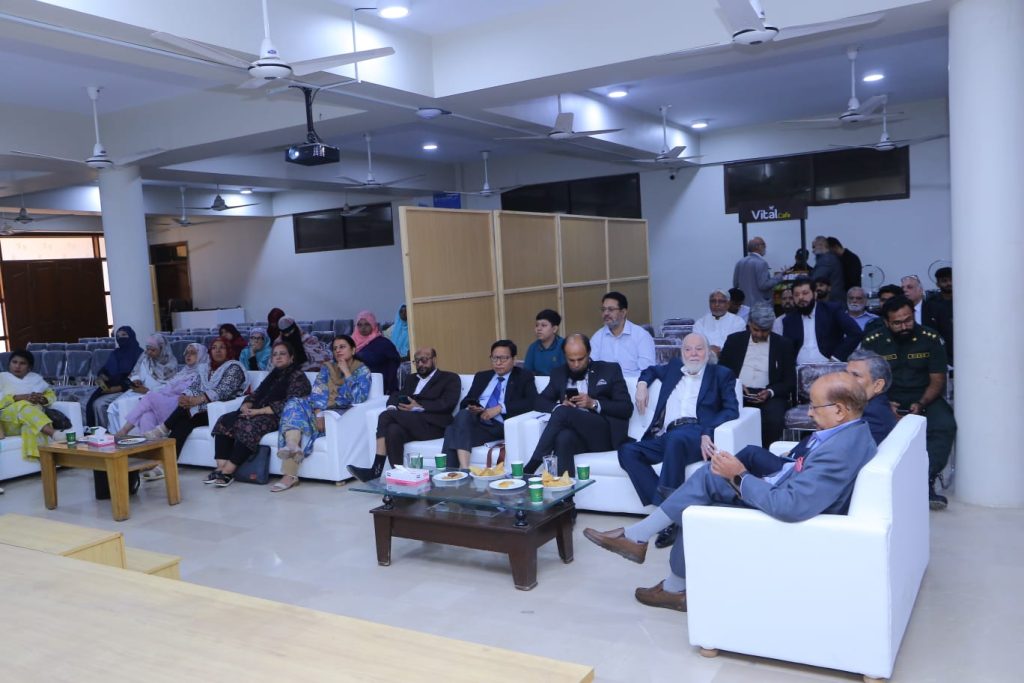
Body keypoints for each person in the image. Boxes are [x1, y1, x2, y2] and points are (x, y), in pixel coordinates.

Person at [583, 372, 876, 612]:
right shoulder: (849, 433)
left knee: (707, 483)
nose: (809, 413)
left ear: (839, 410)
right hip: (783, 487)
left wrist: (740, 474)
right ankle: (662, 572)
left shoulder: (840, 450)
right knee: (704, 484)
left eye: (815, 407)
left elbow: (790, 506)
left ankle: (642, 544)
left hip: (788, 514)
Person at [618, 333, 738, 547]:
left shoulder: (721, 374)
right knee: (627, 451)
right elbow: (651, 370)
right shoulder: (674, 367)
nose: (693, 354)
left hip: (696, 431)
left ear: (708, 352)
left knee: (677, 438)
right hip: (667, 435)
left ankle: (665, 521)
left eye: (699, 349)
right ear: (681, 353)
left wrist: (707, 430)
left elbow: (731, 409)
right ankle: (672, 512)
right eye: (688, 349)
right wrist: (642, 385)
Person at [862, 296, 956, 510]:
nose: (904, 326)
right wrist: (885, 402)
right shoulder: (874, 341)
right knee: (869, 423)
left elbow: (937, 380)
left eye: (908, 320)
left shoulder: (930, 338)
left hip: (924, 396)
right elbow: (865, 379)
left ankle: (925, 480)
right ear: (886, 322)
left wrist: (920, 404)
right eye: (897, 323)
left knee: (944, 424)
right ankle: (881, 482)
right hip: (884, 396)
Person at [524, 334, 633, 477]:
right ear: (565, 356)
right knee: (563, 438)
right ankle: (566, 495)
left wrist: (593, 403)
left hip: (603, 434)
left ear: (588, 353)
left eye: (580, 359)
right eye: (571, 360)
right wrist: (559, 405)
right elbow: (539, 401)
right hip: (577, 434)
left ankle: (531, 467)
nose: (576, 364)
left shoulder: (609, 370)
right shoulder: (559, 374)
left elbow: (626, 408)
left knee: (563, 413)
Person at [274, 335, 372, 492]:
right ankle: (292, 444)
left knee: (300, 421)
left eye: (342, 347)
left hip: (339, 415)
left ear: (353, 349)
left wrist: (347, 372)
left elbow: (359, 397)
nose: (338, 350)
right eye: (335, 348)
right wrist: (319, 414)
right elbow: (318, 391)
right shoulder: (327, 367)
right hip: (320, 411)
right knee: (294, 403)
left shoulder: (362, 370)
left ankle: (289, 475)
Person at [207, 341, 311, 487]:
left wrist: (257, 411)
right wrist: (246, 404)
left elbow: (290, 404)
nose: (278, 357)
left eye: (282, 354)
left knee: (250, 426)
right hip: (256, 410)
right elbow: (256, 393)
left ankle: (228, 471)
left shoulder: (298, 376)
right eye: (275, 355)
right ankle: (220, 466)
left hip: (276, 416)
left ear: (291, 357)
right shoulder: (272, 375)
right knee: (225, 419)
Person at [348, 347, 461, 482]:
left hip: (435, 425)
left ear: (434, 360)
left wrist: (420, 407)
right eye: (417, 361)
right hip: (412, 423)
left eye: (424, 360)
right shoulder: (411, 379)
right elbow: (396, 395)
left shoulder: (450, 378)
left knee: (385, 416)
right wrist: (392, 407)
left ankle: (375, 470)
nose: (420, 364)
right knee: (392, 430)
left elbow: (448, 404)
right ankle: (400, 476)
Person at [144, 338, 247, 458]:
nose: (217, 351)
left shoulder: (234, 367)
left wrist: (196, 400)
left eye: (222, 347)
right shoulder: (206, 368)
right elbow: (195, 385)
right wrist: (184, 396)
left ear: (228, 350)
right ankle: (166, 462)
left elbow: (222, 391)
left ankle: (163, 429)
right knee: (183, 423)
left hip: (222, 411)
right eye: (214, 348)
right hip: (202, 410)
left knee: (185, 413)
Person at [441, 340, 537, 469]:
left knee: (451, 431)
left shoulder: (524, 377)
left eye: (503, 358)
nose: (498, 363)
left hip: (499, 426)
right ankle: (463, 469)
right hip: (477, 421)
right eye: (494, 358)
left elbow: (532, 402)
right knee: (462, 415)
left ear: (514, 359)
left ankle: (453, 474)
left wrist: (500, 408)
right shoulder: (482, 376)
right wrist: (473, 407)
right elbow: (465, 402)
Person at [719, 303, 796, 447]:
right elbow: (722, 372)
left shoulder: (783, 345)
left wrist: (770, 392)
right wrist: (737, 385)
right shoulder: (734, 340)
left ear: (772, 327)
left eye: (764, 331)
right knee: (726, 414)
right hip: (737, 392)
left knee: (774, 418)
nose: (760, 334)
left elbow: (789, 381)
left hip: (769, 394)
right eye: (756, 330)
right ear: (749, 324)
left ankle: (765, 454)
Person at [114, 341, 206, 440]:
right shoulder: (184, 371)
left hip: (180, 407)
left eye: (193, 353)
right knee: (146, 416)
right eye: (187, 353)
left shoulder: (202, 373)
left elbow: (185, 391)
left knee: (150, 396)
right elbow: (168, 388)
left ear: (201, 355)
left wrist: (164, 392)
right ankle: (151, 451)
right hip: (168, 402)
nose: (188, 355)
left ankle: (124, 430)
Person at [779, 277, 863, 364]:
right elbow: (787, 350)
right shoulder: (788, 320)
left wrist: (836, 359)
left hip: (829, 368)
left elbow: (855, 333)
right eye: (796, 295)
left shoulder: (832, 310)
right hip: (800, 370)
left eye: (805, 293)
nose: (801, 298)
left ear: (815, 294)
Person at [105, 334, 178, 433]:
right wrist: (136, 380)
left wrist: (148, 391)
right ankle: (116, 436)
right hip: (138, 390)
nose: (149, 352)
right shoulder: (145, 357)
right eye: (148, 349)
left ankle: (127, 434)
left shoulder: (171, 364)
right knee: (113, 406)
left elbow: (170, 388)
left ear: (162, 349)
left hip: (156, 395)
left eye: (153, 350)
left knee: (125, 406)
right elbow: (135, 372)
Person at [0, 350, 59, 461]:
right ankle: (52, 433)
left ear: (29, 367)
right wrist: (18, 398)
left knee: (30, 426)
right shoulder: (2, 378)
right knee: (24, 405)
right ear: (9, 364)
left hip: (30, 419)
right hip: (7, 422)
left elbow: (51, 395)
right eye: (14, 362)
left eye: (22, 363)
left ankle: (39, 461)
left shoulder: (36, 379)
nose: (17, 366)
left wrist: (42, 399)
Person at [86, 325, 143, 427]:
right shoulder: (116, 353)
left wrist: (115, 389)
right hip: (110, 386)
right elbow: (105, 370)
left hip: (128, 388)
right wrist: (102, 377)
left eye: (124, 335)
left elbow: (136, 377)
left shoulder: (139, 353)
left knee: (99, 404)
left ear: (131, 335)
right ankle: (95, 430)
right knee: (88, 402)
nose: (121, 337)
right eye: (118, 335)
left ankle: (106, 432)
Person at [590, 291, 655, 377]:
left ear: (623, 312)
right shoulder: (597, 338)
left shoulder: (642, 336)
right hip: (606, 387)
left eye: (611, 309)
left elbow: (647, 370)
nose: (605, 313)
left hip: (635, 386)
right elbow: (592, 368)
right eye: (603, 309)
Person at [845, 349, 898, 445]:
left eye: (855, 375)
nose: (846, 380)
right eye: (846, 374)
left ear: (878, 385)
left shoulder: (873, 417)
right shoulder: (872, 406)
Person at [351, 310, 402, 394]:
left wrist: (391, 387)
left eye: (367, 324)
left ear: (373, 325)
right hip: (356, 385)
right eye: (359, 325)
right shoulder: (351, 343)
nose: (363, 328)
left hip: (378, 385)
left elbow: (393, 364)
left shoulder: (384, 343)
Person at [692, 289, 746, 355]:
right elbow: (696, 345)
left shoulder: (738, 321)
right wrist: (709, 350)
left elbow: (737, 345)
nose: (716, 304)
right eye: (713, 301)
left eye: (721, 301)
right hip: (705, 359)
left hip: (729, 360)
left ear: (728, 304)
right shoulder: (700, 323)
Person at [732, 236, 781, 305]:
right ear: (758, 247)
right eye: (764, 244)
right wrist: (778, 277)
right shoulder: (762, 263)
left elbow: (735, 284)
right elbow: (763, 285)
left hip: (744, 306)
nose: (765, 247)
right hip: (760, 307)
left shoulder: (740, 262)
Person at [923, 266, 953, 362]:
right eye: (944, 281)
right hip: (942, 347)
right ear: (937, 284)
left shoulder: (967, 299)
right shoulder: (931, 303)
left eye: (951, 280)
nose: (949, 283)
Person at [523, 309, 565, 376]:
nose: (538, 329)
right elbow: (527, 373)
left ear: (554, 329)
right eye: (537, 325)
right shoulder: (533, 347)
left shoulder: (564, 345)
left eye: (543, 325)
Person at [810, 235, 844, 303]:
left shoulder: (826, 260)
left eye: (814, 247)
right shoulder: (831, 258)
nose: (813, 251)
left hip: (830, 301)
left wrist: (801, 279)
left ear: (821, 245)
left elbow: (816, 279)